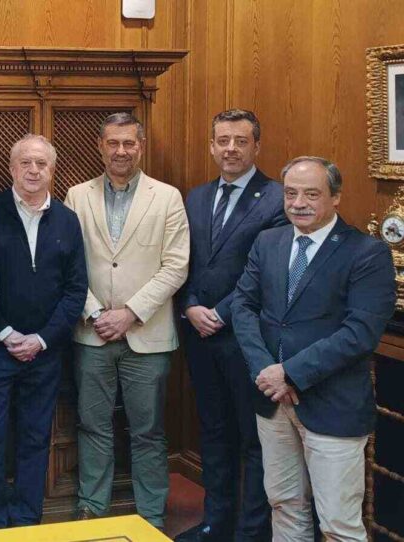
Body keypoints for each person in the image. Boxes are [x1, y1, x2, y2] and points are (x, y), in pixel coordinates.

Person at [232, 157, 395, 541]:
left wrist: (290, 374)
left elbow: (359, 333)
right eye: (290, 193)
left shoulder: (366, 253)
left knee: (338, 525)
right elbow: (242, 306)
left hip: (331, 406)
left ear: (335, 197)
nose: (298, 203)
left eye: (311, 194)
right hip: (273, 403)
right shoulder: (268, 241)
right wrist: (266, 371)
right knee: (284, 506)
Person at [63, 113, 189, 529]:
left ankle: (151, 515)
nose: (121, 151)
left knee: (148, 430)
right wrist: (97, 313)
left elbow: (176, 266)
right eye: (113, 143)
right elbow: (66, 264)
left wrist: (130, 313)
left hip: (147, 335)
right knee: (92, 425)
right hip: (92, 332)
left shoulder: (167, 197)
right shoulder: (76, 196)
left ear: (141, 146)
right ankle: (91, 507)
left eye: (129, 143)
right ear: (100, 146)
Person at [175, 110, 286, 542]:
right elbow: (183, 261)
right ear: (212, 146)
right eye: (223, 140)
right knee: (214, 433)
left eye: (241, 141)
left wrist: (220, 312)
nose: (231, 149)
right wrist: (189, 306)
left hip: (247, 339)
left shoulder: (276, 199)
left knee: (254, 440)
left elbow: (265, 272)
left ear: (257, 145)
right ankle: (214, 524)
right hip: (199, 336)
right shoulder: (197, 197)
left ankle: (251, 532)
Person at [0, 135, 87, 530]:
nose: (33, 170)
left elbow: (75, 290)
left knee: (36, 438)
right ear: (11, 168)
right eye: (25, 163)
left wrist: (41, 339)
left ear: (52, 170)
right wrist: (5, 333)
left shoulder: (68, 220)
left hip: (45, 351)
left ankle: (25, 520)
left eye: (41, 164)